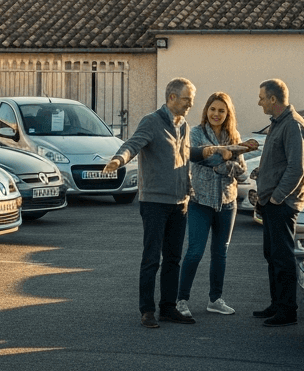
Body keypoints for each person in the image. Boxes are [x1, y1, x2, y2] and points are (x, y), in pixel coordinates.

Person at [102, 78, 196, 328]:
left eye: (191, 99)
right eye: (187, 98)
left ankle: (168, 307)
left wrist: (189, 188)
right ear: (172, 97)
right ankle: (147, 310)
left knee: (173, 259)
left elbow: (185, 158)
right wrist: (117, 161)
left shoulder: (184, 125)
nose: (191, 103)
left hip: (180, 203)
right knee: (152, 257)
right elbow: (132, 145)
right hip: (155, 202)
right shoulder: (151, 121)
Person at [243, 78, 304, 328]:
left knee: (282, 257)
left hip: (282, 203)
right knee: (272, 254)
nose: (259, 102)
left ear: (273, 99)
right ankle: (277, 304)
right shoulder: (278, 124)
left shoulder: (293, 125)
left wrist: (276, 197)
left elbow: (296, 167)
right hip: (271, 202)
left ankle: (287, 310)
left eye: (262, 97)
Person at [176, 92, 248, 320]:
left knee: (220, 253)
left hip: (227, 203)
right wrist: (227, 159)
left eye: (221, 110)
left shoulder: (233, 135)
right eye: (213, 109)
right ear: (206, 110)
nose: (216, 114)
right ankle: (181, 300)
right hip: (201, 201)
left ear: (228, 114)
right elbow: (203, 160)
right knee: (195, 252)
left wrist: (226, 160)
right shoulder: (196, 134)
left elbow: (243, 172)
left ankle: (215, 299)